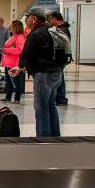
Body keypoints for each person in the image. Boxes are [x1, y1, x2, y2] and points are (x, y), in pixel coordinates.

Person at [11, 8, 64, 137]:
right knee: (51, 105)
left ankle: (43, 137)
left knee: (41, 107)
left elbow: (26, 53)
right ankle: (55, 135)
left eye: (27, 17)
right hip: (57, 73)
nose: (25, 19)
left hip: (43, 74)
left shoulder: (36, 34)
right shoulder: (52, 31)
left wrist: (19, 67)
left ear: (34, 19)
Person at [0, 20, 26, 103]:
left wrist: (6, 50)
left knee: (16, 82)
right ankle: (8, 97)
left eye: (12, 26)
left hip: (14, 63)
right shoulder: (14, 36)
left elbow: (20, 50)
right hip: (9, 61)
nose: (10, 27)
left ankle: (17, 99)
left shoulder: (20, 37)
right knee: (9, 82)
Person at [50, 11, 71, 106]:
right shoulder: (63, 29)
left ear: (55, 18)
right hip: (62, 57)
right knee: (60, 77)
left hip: (60, 57)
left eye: (51, 19)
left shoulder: (62, 30)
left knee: (60, 79)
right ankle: (60, 98)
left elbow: (63, 44)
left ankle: (61, 98)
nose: (50, 21)